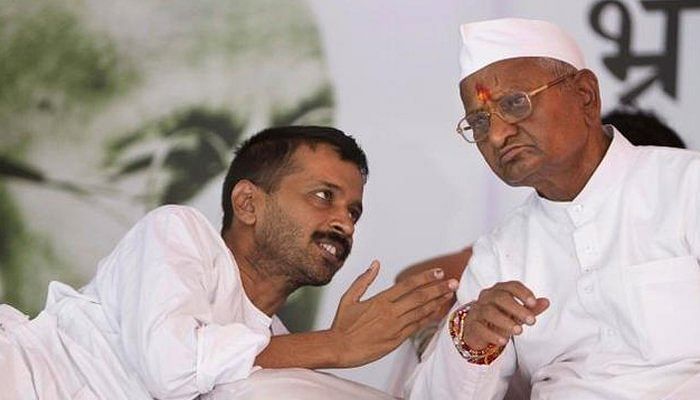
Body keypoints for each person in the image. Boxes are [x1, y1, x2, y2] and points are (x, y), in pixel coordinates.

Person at [0, 126, 458, 399]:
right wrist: (337, 345)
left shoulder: (275, 348)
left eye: (353, 212)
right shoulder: (179, 232)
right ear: (248, 204)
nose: (344, 222)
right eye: (324, 197)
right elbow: (172, 366)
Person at [407, 18, 700, 399]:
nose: (497, 135)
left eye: (515, 103)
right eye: (479, 122)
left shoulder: (687, 186)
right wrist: (474, 341)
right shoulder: (499, 255)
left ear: (585, 95)